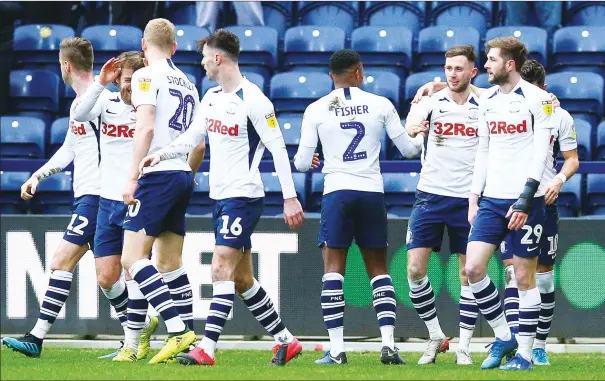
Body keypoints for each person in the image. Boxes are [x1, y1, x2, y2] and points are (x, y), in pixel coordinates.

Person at [139, 29, 304, 367]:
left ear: (218, 57)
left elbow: (278, 150)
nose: (201, 63)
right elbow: (192, 137)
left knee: (219, 268)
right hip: (220, 197)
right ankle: (286, 341)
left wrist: (290, 197)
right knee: (242, 279)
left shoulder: (255, 100)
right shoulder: (211, 96)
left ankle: (207, 349)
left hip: (242, 197)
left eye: (204, 57)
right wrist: (162, 155)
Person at [294, 49, 423, 365]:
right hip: (370, 192)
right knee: (378, 271)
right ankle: (389, 345)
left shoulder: (316, 109)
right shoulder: (381, 104)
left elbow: (300, 163)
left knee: (333, 269)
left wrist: (309, 160)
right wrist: (421, 136)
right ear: (359, 72)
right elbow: (407, 150)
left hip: (337, 192)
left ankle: (337, 350)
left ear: (331, 77)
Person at [1, 37, 111, 358]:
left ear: (66, 66)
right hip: (88, 196)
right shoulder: (80, 104)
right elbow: (69, 149)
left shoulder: (100, 101)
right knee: (108, 277)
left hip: (97, 195)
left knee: (61, 262)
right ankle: (136, 334)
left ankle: (36, 338)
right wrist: (38, 175)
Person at [70, 52, 167, 361]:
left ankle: (131, 345)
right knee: (106, 276)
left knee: (133, 267)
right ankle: (144, 326)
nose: (131, 87)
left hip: (137, 197)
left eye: (137, 81)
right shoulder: (107, 100)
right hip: (106, 198)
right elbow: (80, 114)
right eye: (127, 80)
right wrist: (100, 82)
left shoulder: (151, 108)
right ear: (118, 78)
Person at [466, 36, 554, 371]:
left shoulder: (540, 100)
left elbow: (540, 152)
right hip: (491, 199)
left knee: (523, 277)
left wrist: (526, 198)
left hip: (527, 201)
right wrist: (474, 197)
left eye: (491, 60)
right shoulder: (486, 100)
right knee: (473, 268)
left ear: (510, 64)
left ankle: (526, 356)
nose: (485, 66)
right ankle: (504, 336)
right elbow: (483, 150)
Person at [119, 18, 202, 364]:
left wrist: (132, 176)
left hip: (156, 173)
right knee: (169, 263)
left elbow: (146, 126)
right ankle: (190, 345)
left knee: (132, 258)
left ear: (143, 44)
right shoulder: (189, 83)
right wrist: (188, 174)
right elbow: (198, 144)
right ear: (175, 48)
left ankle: (177, 328)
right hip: (183, 172)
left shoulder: (144, 75)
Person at [499, 59, 579, 367]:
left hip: (543, 203)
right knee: (513, 274)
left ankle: (539, 345)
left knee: (542, 278)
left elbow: (572, 159)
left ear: (543, 89)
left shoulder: (559, 115)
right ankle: (518, 345)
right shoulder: (500, 109)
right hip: (509, 199)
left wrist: (558, 180)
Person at [404, 45, 481, 366]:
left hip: (469, 199)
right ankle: (436, 335)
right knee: (414, 269)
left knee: (469, 273)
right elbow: (410, 130)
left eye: (459, 68)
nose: (452, 74)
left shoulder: (487, 102)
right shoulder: (431, 101)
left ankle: (463, 346)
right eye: (448, 68)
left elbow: (517, 98)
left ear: (472, 72)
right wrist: (414, 129)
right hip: (430, 196)